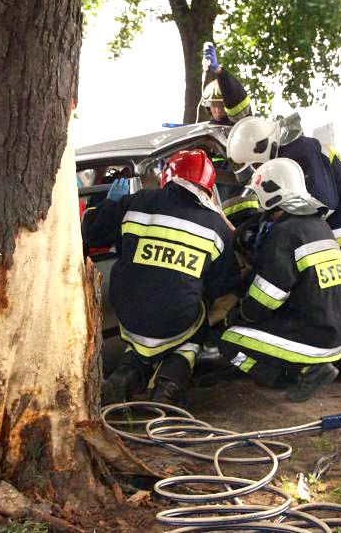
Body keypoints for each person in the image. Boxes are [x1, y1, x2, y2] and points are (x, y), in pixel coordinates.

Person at [227, 116, 341, 384]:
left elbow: (322, 202)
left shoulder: (300, 152)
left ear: (263, 147)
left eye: (257, 162)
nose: (257, 167)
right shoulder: (292, 151)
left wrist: (286, 235)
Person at [82, 149, 240, 405]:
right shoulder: (217, 227)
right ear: (208, 188)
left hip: (127, 308)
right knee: (194, 329)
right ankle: (169, 383)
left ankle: (126, 374)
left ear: (167, 176)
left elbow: (92, 234)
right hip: (177, 317)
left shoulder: (136, 202)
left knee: (139, 341)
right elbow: (223, 284)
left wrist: (108, 203)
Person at [219, 158, 341, 401]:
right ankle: (302, 369)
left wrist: (241, 314)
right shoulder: (318, 226)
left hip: (315, 338)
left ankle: (300, 373)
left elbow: (267, 297)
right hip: (338, 332)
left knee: (229, 341)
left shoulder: (285, 232)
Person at [200, 45, 252, 126]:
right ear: (208, 107)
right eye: (214, 105)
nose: (217, 110)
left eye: (221, 105)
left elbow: (235, 102)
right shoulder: (205, 131)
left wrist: (219, 71)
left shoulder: (242, 124)